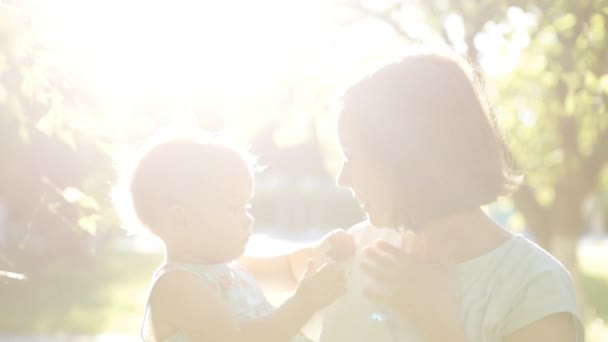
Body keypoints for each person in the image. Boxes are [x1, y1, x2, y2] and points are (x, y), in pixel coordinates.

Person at [320, 49, 584, 341]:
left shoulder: (533, 287)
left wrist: (437, 326)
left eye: (353, 156)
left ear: (409, 156)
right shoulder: (360, 249)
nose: (342, 179)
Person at [126, 134, 351, 342]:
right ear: (180, 221)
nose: (248, 219)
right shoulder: (177, 285)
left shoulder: (234, 270)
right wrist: (304, 303)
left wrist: (322, 251)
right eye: (235, 208)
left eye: (247, 206)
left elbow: (290, 269)